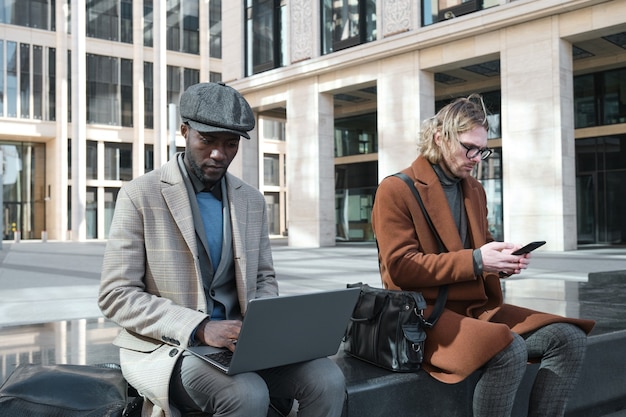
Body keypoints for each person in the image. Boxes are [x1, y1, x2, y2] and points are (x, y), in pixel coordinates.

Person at [99, 82, 346, 417]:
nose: (219, 154)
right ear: (184, 131)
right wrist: (199, 327)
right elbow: (116, 294)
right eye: (207, 141)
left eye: (230, 145)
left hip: (241, 346)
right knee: (246, 393)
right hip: (167, 347)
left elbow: (263, 279)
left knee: (328, 378)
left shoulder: (252, 201)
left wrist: (265, 329)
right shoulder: (139, 195)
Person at [371, 94, 595, 417]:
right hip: (425, 317)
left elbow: (482, 244)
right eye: (469, 148)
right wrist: (478, 260)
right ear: (440, 138)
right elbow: (401, 268)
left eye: (483, 149)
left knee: (569, 338)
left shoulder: (474, 190)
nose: (477, 157)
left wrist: (504, 260)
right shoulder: (396, 189)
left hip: (476, 309)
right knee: (508, 349)